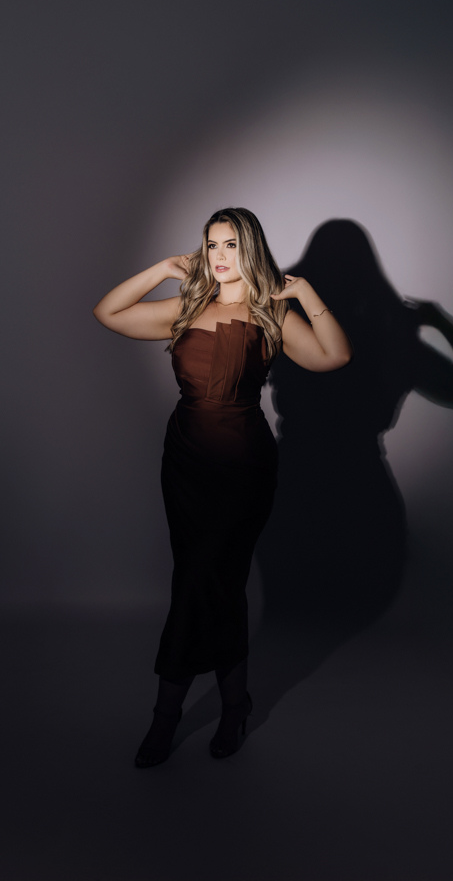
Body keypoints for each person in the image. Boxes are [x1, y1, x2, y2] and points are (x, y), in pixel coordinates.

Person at [93, 208, 352, 767]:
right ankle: (235, 705)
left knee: (202, 582)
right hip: (185, 462)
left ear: (250, 248)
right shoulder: (187, 308)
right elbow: (107, 313)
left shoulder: (272, 313)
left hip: (243, 465)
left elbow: (334, 355)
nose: (218, 255)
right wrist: (163, 268)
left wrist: (305, 293)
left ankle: (166, 716)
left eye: (230, 244)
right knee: (213, 584)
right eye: (211, 244)